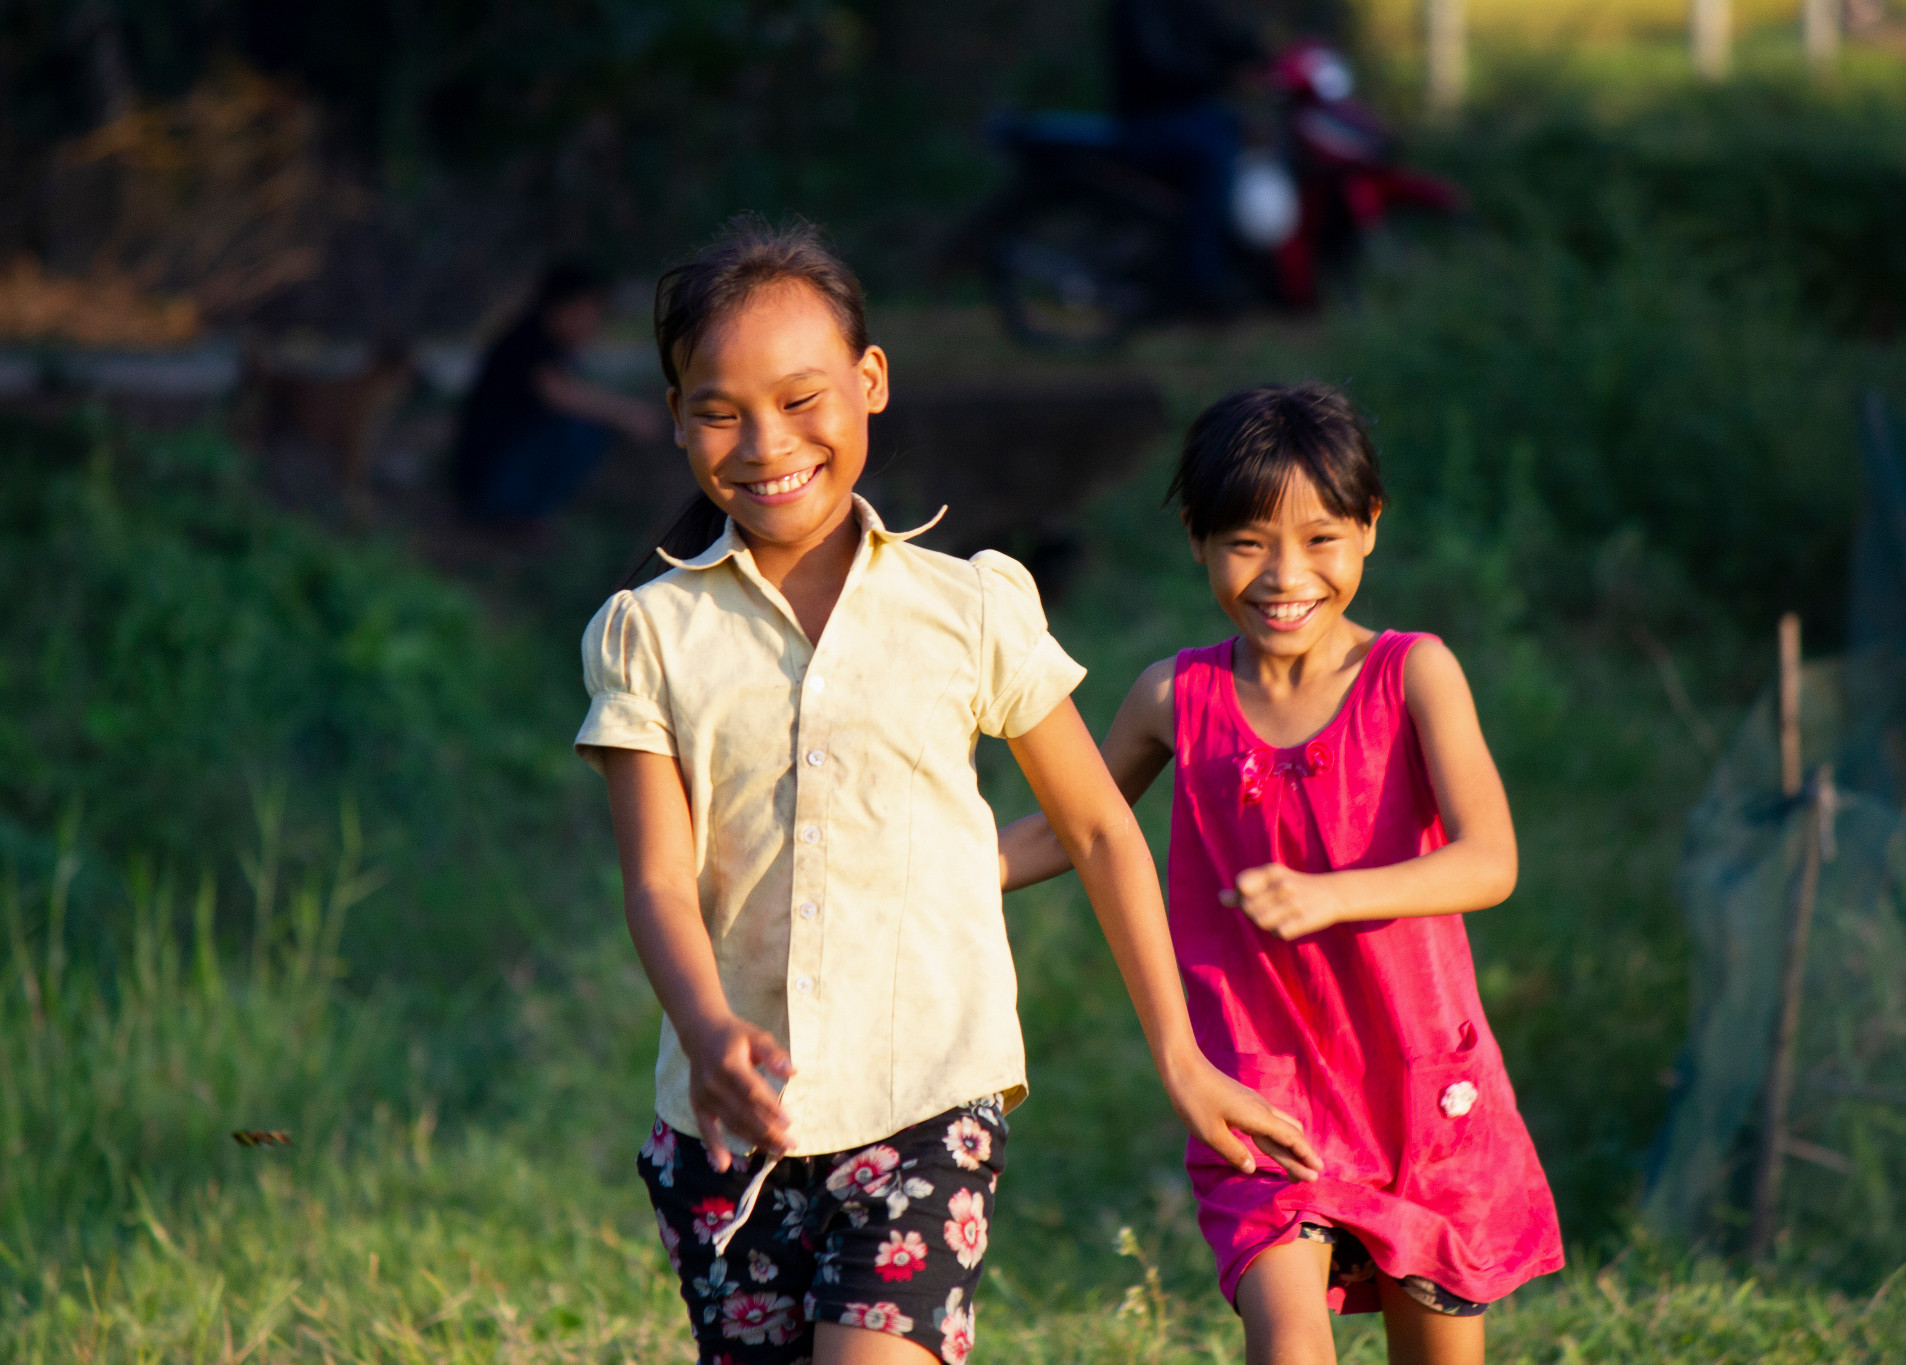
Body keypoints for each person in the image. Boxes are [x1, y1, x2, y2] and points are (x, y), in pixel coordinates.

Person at [576, 217, 1319, 1365]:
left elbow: (1097, 828)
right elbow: (657, 881)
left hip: (926, 1103)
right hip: (723, 1139)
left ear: (870, 382)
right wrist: (705, 1026)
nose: (764, 441)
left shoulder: (968, 606)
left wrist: (1180, 1057)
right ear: (676, 418)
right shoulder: (647, 633)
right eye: (718, 409)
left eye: (801, 397)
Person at [1000, 384, 1563, 1365]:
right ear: (1196, 540)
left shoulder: (1412, 675)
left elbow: (1490, 860)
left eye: (1320, 539)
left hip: (1418, 1093)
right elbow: (1068, 830)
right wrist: (918, 870)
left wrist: (1331, 895)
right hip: (1258, 1094)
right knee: (1288, 1345)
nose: (1283, 575)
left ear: (1369, 532)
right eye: (1247, 542)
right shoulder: (1175, 696)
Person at [450, 260, 663, 525]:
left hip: (497, 468)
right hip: (489, 474)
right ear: (565, 306)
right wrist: (627, 413)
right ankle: (511, 514)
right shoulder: (527, 341)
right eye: (591, 310)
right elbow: (558, 393)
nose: (595, 322)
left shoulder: (553, 347)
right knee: (580, 429)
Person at [1107, 0, 1267, 305]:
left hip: (1188, 111)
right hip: (1151, 118)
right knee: (1214, 158)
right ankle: (1201, 277)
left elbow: (1220, 36)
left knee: (1253, 137)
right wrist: (1222, 76)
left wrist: (1264, 54)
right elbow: (1158, 63)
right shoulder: (1139, 7)